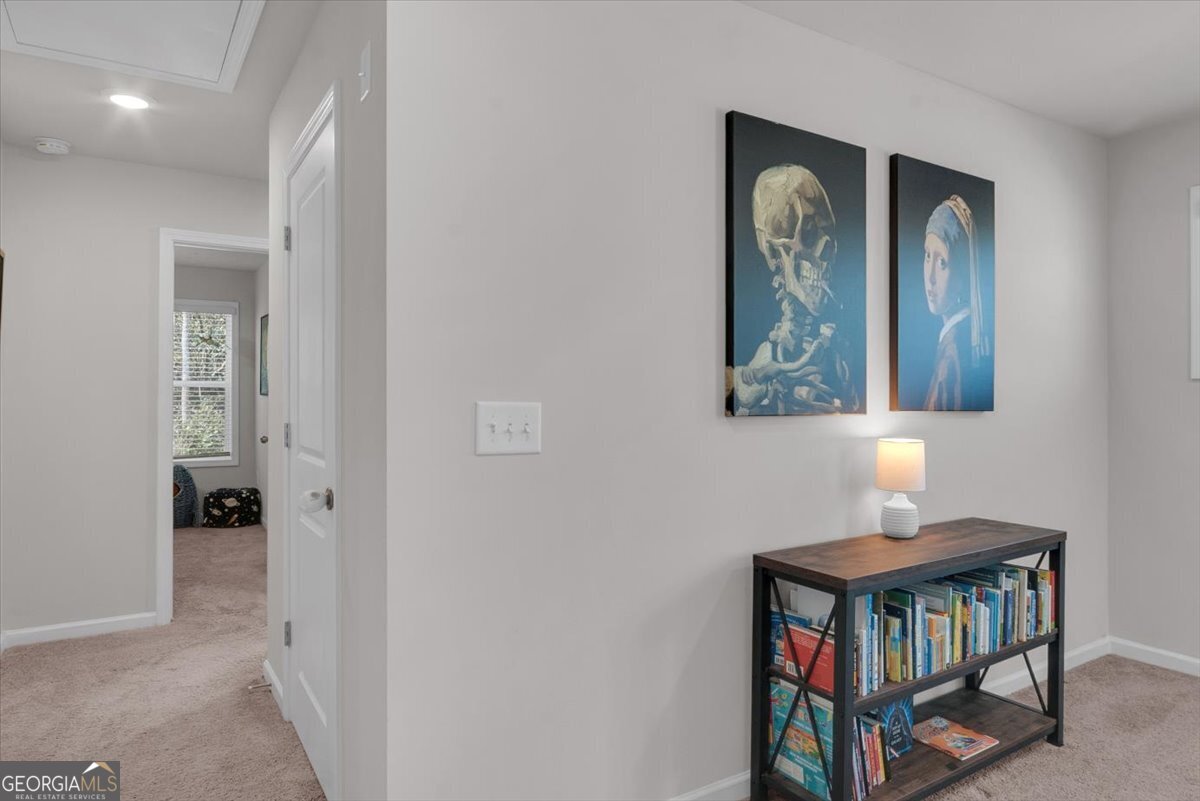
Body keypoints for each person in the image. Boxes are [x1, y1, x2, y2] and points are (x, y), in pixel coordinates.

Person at [921, 195, 992, 410]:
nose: (930, 277)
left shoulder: (953, 350)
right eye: (927, 256)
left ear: (963, 275)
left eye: (942, 262)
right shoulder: (954, 338)